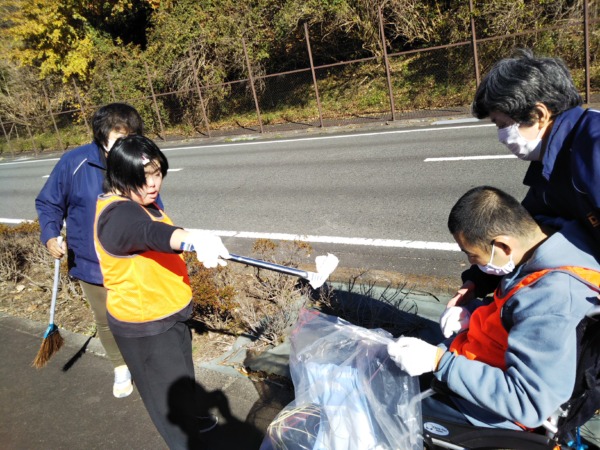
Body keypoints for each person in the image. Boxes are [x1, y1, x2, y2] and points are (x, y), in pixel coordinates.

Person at [388, 186, 600, 431]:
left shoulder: (553, 298)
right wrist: (474, 310)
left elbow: (528, 403)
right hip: (480, 360)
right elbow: (515, 315)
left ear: (503, 246)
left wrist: (439, 362)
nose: (471, 262)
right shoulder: (544, 242)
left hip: (501, 408)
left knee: (390, 402)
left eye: (472, 255)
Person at [94, 134, 230, 449]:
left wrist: (193, 240)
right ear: (120, 177)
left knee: (183, 386)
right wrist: (191, 239)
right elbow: (148, 232)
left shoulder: (141, 201)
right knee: (174, 416)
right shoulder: (117, 215)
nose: (153, 183)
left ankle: (194, 421)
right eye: (143, 177)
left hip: (169, 315)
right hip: (146, 328)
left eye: (157, 173)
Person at [448, 49, 600, 308]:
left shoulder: (593, 148)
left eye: (501, 124)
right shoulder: (553, 158)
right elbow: (525, 227)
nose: (501, 137)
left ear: (539, 115)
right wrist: (475, 283)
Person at [35, 103, 147, 398]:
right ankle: (120, 366)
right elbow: (49, 202)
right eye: (119, 138)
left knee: (141, 312)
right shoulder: (75, 162)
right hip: (91, 259)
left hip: (134, 256)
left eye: (132, 137)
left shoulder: (139, 158)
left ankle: (145, 360)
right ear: (101, 137)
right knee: (106, 318)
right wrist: (50, 235)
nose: (126, 145)